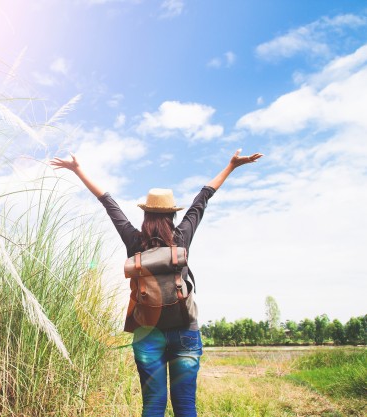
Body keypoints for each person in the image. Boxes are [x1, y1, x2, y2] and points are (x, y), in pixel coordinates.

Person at [50, 149, 263, 417]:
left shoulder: (134, 242)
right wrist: (231, 166)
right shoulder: (181, 238)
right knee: (186, 406)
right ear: (172, 215)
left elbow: (108, 203)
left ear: (146, 215)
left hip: (146, 333)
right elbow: (203, 198)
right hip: (185, 329)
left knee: (152, 406)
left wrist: (77, 169)